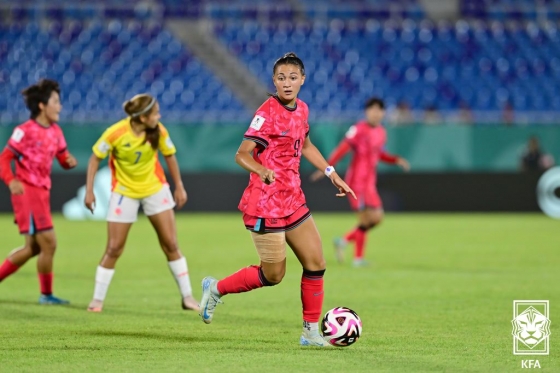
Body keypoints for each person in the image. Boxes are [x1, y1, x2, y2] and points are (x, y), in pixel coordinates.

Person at [198, 52, 356, 347]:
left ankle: (310, 332)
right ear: (274, 80)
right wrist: (262, 170)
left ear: (302, 80)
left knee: (316, 262)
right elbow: (241, 154)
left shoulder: (303, 109)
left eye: (292, 78)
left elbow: (306, 145)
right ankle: (216, 288)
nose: (287, 83)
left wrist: (331, 171)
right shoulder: (267, 112)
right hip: (265, 203)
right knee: (273, 275)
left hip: (293, 199)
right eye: (281, 78)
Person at [84, 94, 199, 312]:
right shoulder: (115, 132)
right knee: (114, 247)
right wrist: (89, 191)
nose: (159, 116)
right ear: (143, 117)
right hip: (124, 192)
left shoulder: (159, 130)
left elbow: (170, 156)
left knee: (171, 245)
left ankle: (188, 297)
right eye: (155, 113)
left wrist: (179, 186)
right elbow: (94, 158)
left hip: (155, 189)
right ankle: (97, 300)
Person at [0, 79, 77, 304]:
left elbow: (63, 157)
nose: (59, 106)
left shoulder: (56, 132)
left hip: (42, 192)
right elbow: (5, 159)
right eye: (55, 101)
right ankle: (46, 295)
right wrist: (11, 180)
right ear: (42, 106)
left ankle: (46, 294)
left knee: (33, 248)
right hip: (28, 191)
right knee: (49, 243)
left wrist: (68, 161)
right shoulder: (24, 132)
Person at [311, 98, 410, 267]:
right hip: (357, 182)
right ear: (367, 112)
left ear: (383, 113)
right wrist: (327, 167)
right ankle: (357, 258)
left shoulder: (381, 132)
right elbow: (343, 148)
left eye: (379, 110)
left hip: (369, 183)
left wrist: (395, 160)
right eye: (372, 110)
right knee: (367, 218)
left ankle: (344, 241)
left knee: (376, 218)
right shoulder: (358, 130)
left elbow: (380, 154)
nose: (376, 113)